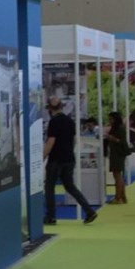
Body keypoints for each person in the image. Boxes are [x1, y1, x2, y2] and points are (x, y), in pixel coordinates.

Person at [41, 96, 97, 226]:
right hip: (69, 158)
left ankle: (51, 216)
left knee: (49, 187)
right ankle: (89, 210)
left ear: (50, 109)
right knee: (70, 186)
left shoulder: (54, 122)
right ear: (62, 107)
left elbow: (51, 142)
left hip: (56, 159)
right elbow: (74, 140)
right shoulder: (69, 121)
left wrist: (42, 157)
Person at [103, 111, 131, 206]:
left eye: (111, 119)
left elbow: (122, 141)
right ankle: (122, 197)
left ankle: (118, 198)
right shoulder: (116, 128)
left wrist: (111, 138)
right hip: (115, 153)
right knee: (118, 176)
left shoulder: (120, 128)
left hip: (118, 154)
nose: (110, 121)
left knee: (117, 176)